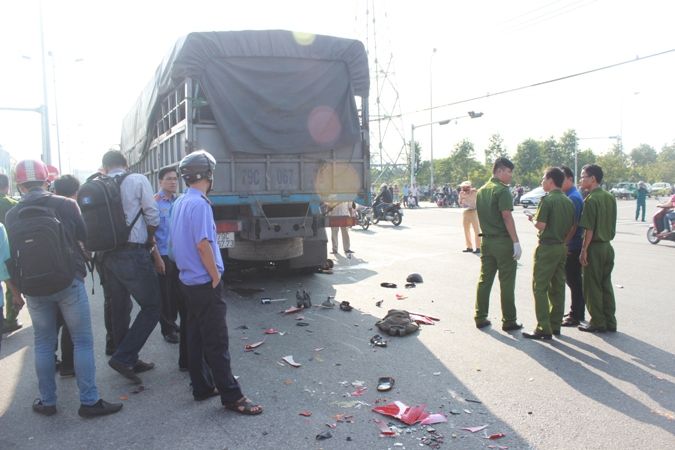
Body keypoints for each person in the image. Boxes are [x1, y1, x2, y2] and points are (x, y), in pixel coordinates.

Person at [6, 159, 122, 417]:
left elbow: (11, 255)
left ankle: (47, 402)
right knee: (82, 340)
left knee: (44, 343)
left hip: (34, 287)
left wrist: (18, 290)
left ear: (20, 184)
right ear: (47, 179)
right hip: (67, 280)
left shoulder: (12, 214)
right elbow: (85, 237)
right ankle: (89, 402)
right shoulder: (66, 204)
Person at [170, 150, 262, 415]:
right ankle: (232, 396)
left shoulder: (180, 202)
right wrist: (215, 275)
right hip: (203, 282)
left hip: (187, 280)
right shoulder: (199, 204)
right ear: (208, 175)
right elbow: (202, 244)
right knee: (216, 341)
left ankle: (201, 386)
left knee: (196, 335)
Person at [100, 150, 160, 384]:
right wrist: (150, 239)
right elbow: (152, 215)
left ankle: (126, 356)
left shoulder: (98, 184)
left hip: (105, 256)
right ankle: (124, 356)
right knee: (153, 306)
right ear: (126, 164)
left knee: (119, 307)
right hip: (132, 252)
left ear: (105, 167)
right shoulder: (137, 180)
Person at [522, 168, 575, 340]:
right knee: (558, 287)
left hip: (547, 247)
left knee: (540, 287)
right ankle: (555, 324)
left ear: (551, 180)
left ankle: (543, 327)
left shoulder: (547, 200)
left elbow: (541, 225)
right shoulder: (568, 202)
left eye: (543, 178)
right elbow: (571, 226)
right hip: (561, 246)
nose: (542, 182)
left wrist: (532, 219)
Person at [474, 157, 523, 331]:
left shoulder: (481, 190)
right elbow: (506, 216)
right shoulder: (502, 191)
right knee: (507, 282)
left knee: (484, 280)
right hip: (502, 241)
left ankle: (480, 316)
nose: (510, 176)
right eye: (509, 172)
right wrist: (516, 241)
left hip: (486, 240)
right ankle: (509, 320)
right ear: (500, 170)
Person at [578, 164, 618, 333]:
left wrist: (584, 249)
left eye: (583, 176)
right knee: (605, 284)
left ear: (593, 178)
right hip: (607, 246)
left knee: (592, 285)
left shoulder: (591, 199)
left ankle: (597, 321)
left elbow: (589, 229)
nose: (581, 180)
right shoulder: (609, 197)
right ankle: (610, 320)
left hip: (594, 247)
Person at [51, 175, 82, 377]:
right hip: (69, 274)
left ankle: (51, 360)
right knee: (72, 325)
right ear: (75, 191)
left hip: (43, 275)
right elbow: (84, 236)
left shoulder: (45, 208)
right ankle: (69, 366)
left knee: (50, 326)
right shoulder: (71, 207)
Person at [152, 167, 181, 345]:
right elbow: (151, 234)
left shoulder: (178, 201)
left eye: (175, 179)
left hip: (178, 255)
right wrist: (156, 258)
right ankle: (167, 329)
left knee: (177, 293)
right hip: (162, 254)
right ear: (160, 182)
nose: (173, 182)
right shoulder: (154, 202)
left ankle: (173, 322)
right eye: (169, 179)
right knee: (165, 294)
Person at [560, 166, 586, 327]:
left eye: (561, 179)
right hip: (572, 243)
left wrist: (565, 244)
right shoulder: (569, 195)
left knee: (573, 280)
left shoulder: (573, 198)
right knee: (573, 280)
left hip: (573, 245)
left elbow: (574, 225)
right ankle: (577, 311)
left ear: (570, 179)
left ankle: (575, 314)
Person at [0, 174, 20, 335]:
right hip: (9, 251)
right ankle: (11, 319)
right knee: (10, 284)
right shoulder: (12, 204)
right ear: (7, 187)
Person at [459, 181, 480, 253]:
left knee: (476, 230)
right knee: (466, 230)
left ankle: (478, 247)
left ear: (469, 187)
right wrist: (462, 201)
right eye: (463, 187)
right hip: (465, 212)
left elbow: (479, 198)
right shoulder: (461, 193)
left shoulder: (474, 192)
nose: (464, 189)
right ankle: (469, 247)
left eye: (466, 187)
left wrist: (472, 191)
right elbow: (460, 202)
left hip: (473, 211)